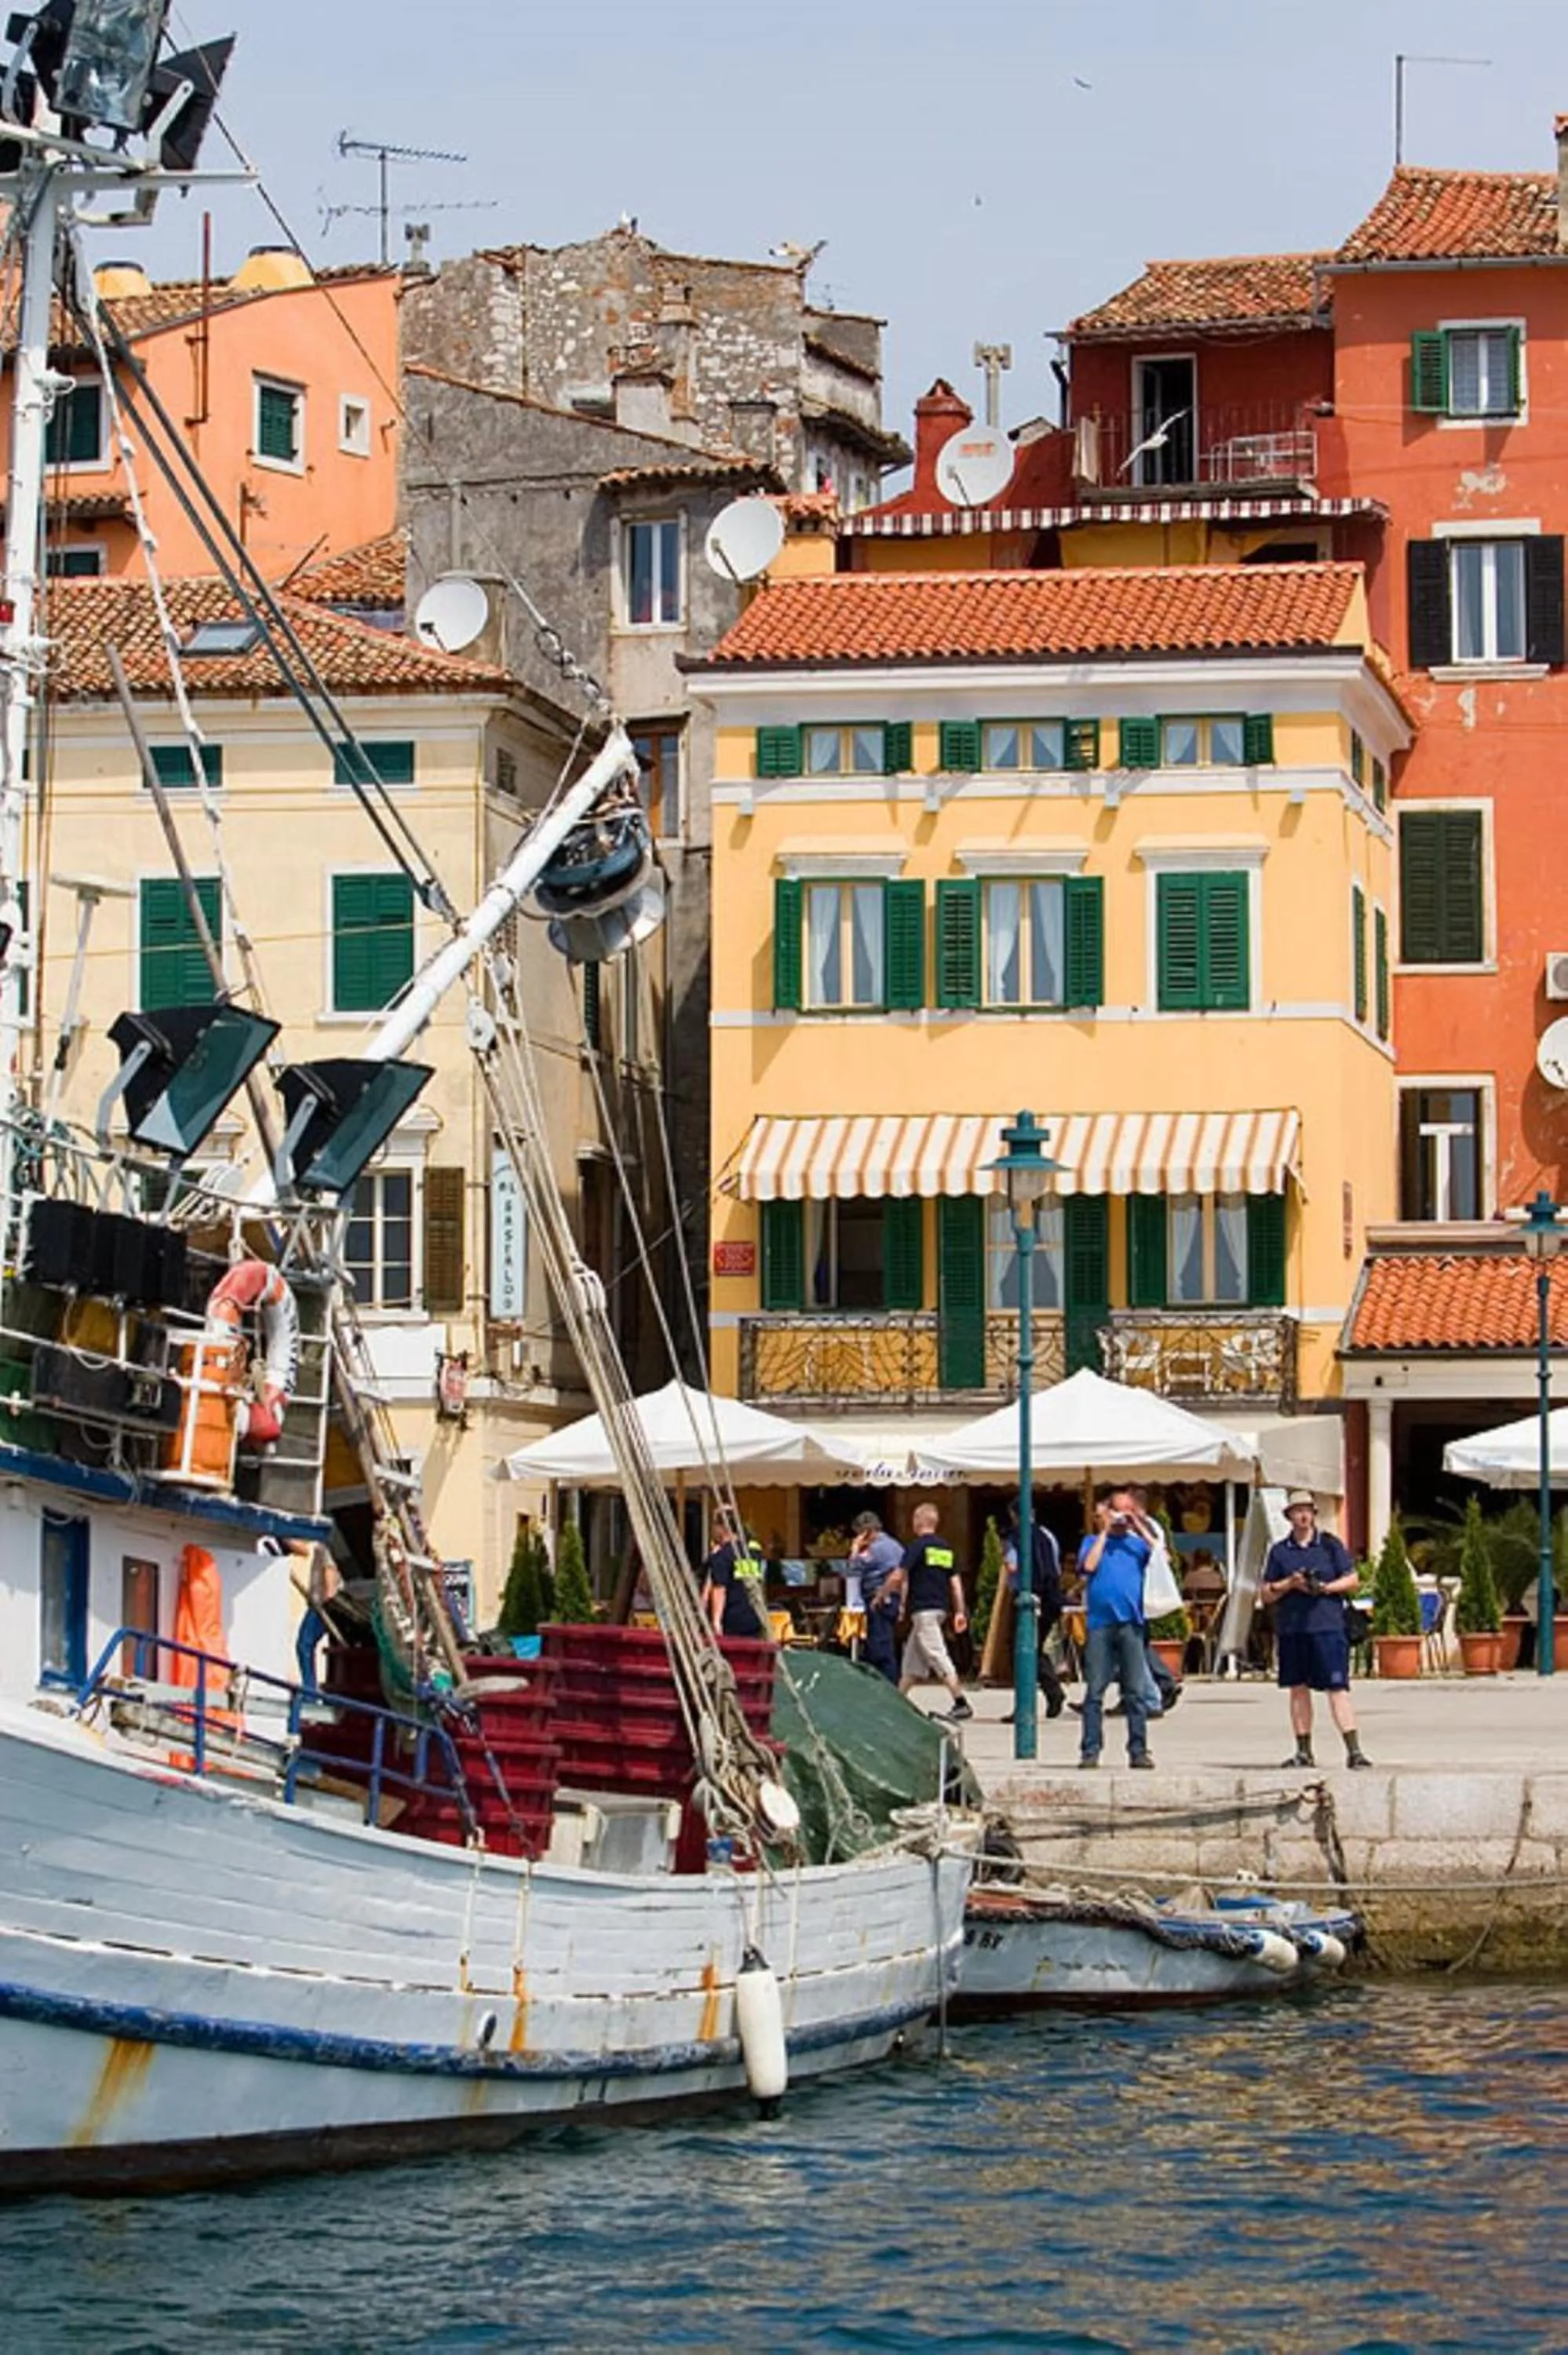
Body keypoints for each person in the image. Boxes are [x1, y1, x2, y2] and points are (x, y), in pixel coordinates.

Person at [1260, 1490, 1370, 1769]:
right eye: (1297, 1511)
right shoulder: (1280, 1551)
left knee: (1337, 1687)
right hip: (1293, 1628)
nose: (1303, 1516)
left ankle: (1354, 1750)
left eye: (1307, 1510)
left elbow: (1353, 1579)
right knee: (1298, 1689)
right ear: (1289, 1516)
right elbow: (1265, 1593)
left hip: (1328, 1626)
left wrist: (1324, 1588)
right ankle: (1303, 1751)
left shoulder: (1330, 1545)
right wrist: (1289, 1584)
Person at [1078, 1486, 1154, 1769]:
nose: (1121, 1516)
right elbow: (1089, 1566)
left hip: (1131, 1623)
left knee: (1134, 1691)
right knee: (1095, 1690)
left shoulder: (1137, 1545)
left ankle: (1138, 1749)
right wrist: (1105, 1531)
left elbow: (1160, 1555)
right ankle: (1091, 1749)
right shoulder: (1092, 1541)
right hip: (1100, 1623)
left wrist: (1138, 1524)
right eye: (1117, 1510)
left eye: (1126, 1510)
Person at [883, 1502, 972, 1722]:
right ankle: (896, 1702)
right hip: (940, 1609)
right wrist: (959, 1610)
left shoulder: (917, 1547)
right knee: (912, 1663)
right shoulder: (945, 1549)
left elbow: (899, 1576)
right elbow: (955, 1583)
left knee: (937, 1654)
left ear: (918, 1521)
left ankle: (961, 1702)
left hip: (923, 1610)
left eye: (914, 1519)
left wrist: (881, 1594)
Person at [1001, 1497, 1065, 1722]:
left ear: (1014, 1515)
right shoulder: (1048, 1535)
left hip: (1027, 1598)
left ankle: (1026, 1705)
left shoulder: (1014, 1537)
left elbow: (1012, 1565)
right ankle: (1052, 1691)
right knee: (1034, 1648)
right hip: (1051, 1598)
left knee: (1020, 1650)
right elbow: (1055, 1567)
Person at [848, 1509, 903, 1685]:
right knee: (887, 1643)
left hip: (878, 1599)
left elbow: (853, 1569)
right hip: (894, 1599)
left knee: (880, 1647)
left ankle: (887, 1685)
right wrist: (902, 1603)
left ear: (867, 1531)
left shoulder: (874, 1550)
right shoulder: (896, 1546)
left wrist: (855, 1550)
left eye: (859, 1533)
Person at [702, 1507, 767, 1641]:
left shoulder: (722, 1556)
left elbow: (719, 1590)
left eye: (714, 1525)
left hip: (732, 1622)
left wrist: (716, 1622)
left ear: (721, 1528)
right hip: (755, 1617)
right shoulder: (754, 1553)